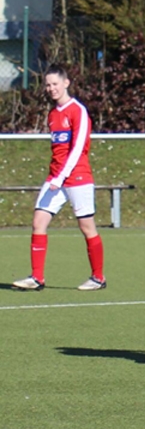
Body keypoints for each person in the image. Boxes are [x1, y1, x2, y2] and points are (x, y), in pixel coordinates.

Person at [13, 65, 105, 291]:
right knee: (39, 222)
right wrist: (55, 176)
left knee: (86, 226)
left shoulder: (78, 110)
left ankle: (98, 278)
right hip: (55, 178)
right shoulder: (53, 114)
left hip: (77, 177)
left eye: (55, 84)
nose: (51, 88)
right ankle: (37, 278)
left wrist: (61, 176)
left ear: (66, 83)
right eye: (48, 85)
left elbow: (78, 148)